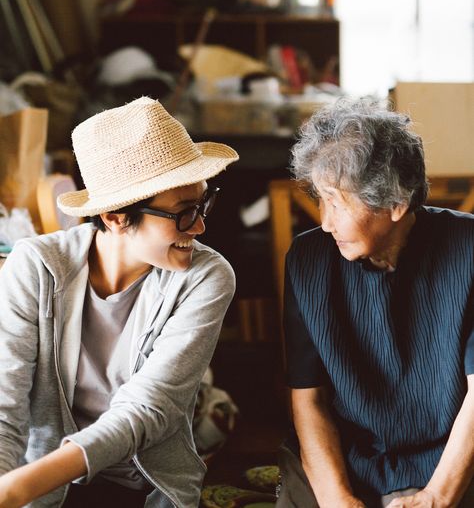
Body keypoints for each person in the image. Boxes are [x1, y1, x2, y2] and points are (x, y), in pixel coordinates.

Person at [0, 96, 239, 508]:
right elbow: (5, 409)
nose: (200, 226)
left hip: (145, 487)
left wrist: (19, 487)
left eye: (203, 203)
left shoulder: (207, 277)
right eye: (183, 212)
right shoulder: (35, 267)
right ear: (114, 216)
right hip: (45, 489)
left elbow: (149, 409)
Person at [276, 99, 474, 508]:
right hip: (346, 456)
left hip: (455, 453)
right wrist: (337, 499)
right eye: (320, 199)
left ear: (396, 204)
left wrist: (438, 496)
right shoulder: (308, 260)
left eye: (337, 202)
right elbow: (308, 397)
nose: (325, 222)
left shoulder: (469, 249)